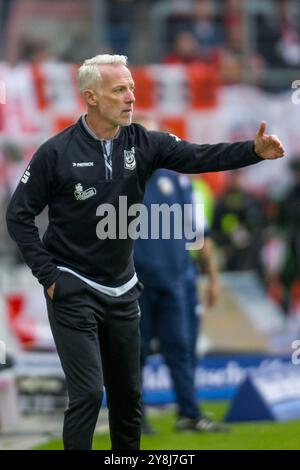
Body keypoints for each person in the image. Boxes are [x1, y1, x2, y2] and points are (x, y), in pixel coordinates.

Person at [6, 54, 284, 450]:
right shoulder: (56, 152)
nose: (130, 97)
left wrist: (251, 151)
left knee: (128, 400)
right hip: (73, 290)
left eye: (131, 87)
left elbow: (199, 156)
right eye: (119, 90)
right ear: (91, 97)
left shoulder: (145, 142)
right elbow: (19, 217)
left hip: (123, 289)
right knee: (87, 394)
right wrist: (50, 278)